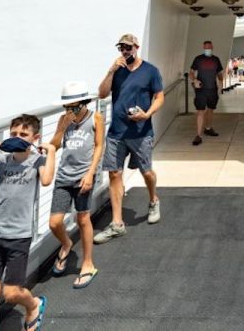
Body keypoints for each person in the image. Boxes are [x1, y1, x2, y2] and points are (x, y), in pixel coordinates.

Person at [0, 114, 55, 331]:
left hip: (19, 235)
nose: (17, 137)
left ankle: (33, 304)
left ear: (35, 137)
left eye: (23, 134)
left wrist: (51, 152)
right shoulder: (0, 161)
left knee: (11, 293)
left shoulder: (38, 161)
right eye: (13, 133)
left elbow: (46, 181)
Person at [94, 33, 164, 244]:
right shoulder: (118, 71)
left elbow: (159, 96)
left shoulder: (150, 71)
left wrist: (147, 113)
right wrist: (110, 71)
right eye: (121, 48)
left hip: (141, 132)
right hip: (117, 132)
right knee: (115, 174)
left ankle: (153, 200)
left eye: (128, 47)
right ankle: (117, 224)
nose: (125, 51)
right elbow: (102, 94)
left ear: (136, 47)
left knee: (147, 172)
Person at [48, 81, 104, 288]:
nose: (68, 109)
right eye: (66, 106)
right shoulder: (64, 119)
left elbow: (99, 146)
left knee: (82, 219)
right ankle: (66, 243)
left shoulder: (95, 118)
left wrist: (90, 174)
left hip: (83, 176)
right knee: (54, 222)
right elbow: (53, 146)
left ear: (82, 102)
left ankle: (88, 263)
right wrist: (62, 128)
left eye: (72, 105)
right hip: (64, 176)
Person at [189, 40, 224, 145]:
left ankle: (208, 128)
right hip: (201, 89)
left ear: (212, 47)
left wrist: (221, 82)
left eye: (209, 47)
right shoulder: (198, 59)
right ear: (203, 48)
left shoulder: (216, 60)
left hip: (212, 89)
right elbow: (191, 72)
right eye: (205, 47)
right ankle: (198, 135)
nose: (207, 49)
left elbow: (219, 73)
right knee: (200, 111)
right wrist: (195, 80)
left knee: (210, 109)